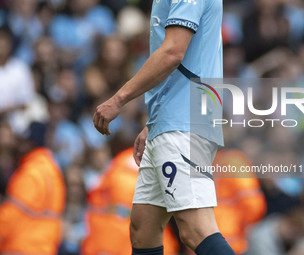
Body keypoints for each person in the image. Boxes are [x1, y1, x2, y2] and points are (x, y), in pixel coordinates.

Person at [93, 0, 236, 254]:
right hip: (171, 120)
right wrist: (155, 121)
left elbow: (172, 52)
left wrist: (119, 100)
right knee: (143, 228)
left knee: (196, 229)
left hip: (184, 123)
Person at [0, 122, 66, 255]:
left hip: (21, 247)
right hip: (44, 248)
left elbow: (12, 212)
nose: (20, 145)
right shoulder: (53, 170)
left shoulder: (31, 172)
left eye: (24, 141)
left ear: (31, 143)